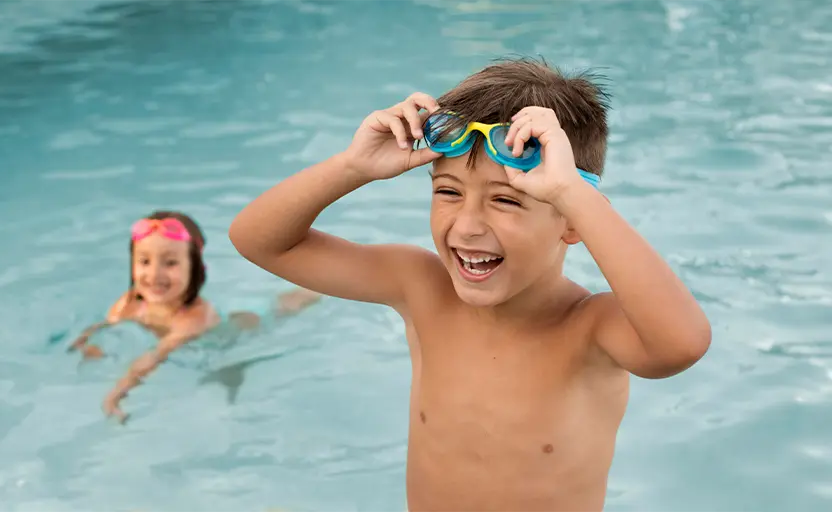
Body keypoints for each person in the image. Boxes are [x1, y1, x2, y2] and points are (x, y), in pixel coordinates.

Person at [228, 57, 711, 512]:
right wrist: (352, 167)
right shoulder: (421, 288)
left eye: (505, 200)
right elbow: (261, 242)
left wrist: (571, 192)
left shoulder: (590, 329)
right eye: (448, 192)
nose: (467, 226)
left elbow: (681, 345)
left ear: (572, 221)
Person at [69, 210, 320, 423]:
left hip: (237, 329)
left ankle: (320, 284)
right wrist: (88, 345)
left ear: (195, 268)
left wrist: (118, 393)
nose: (154, 275)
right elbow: (105, 326)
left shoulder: (192, 319)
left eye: (170, 263)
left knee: (281, 308)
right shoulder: (130, 302)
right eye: (144, 261)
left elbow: (155, 357)